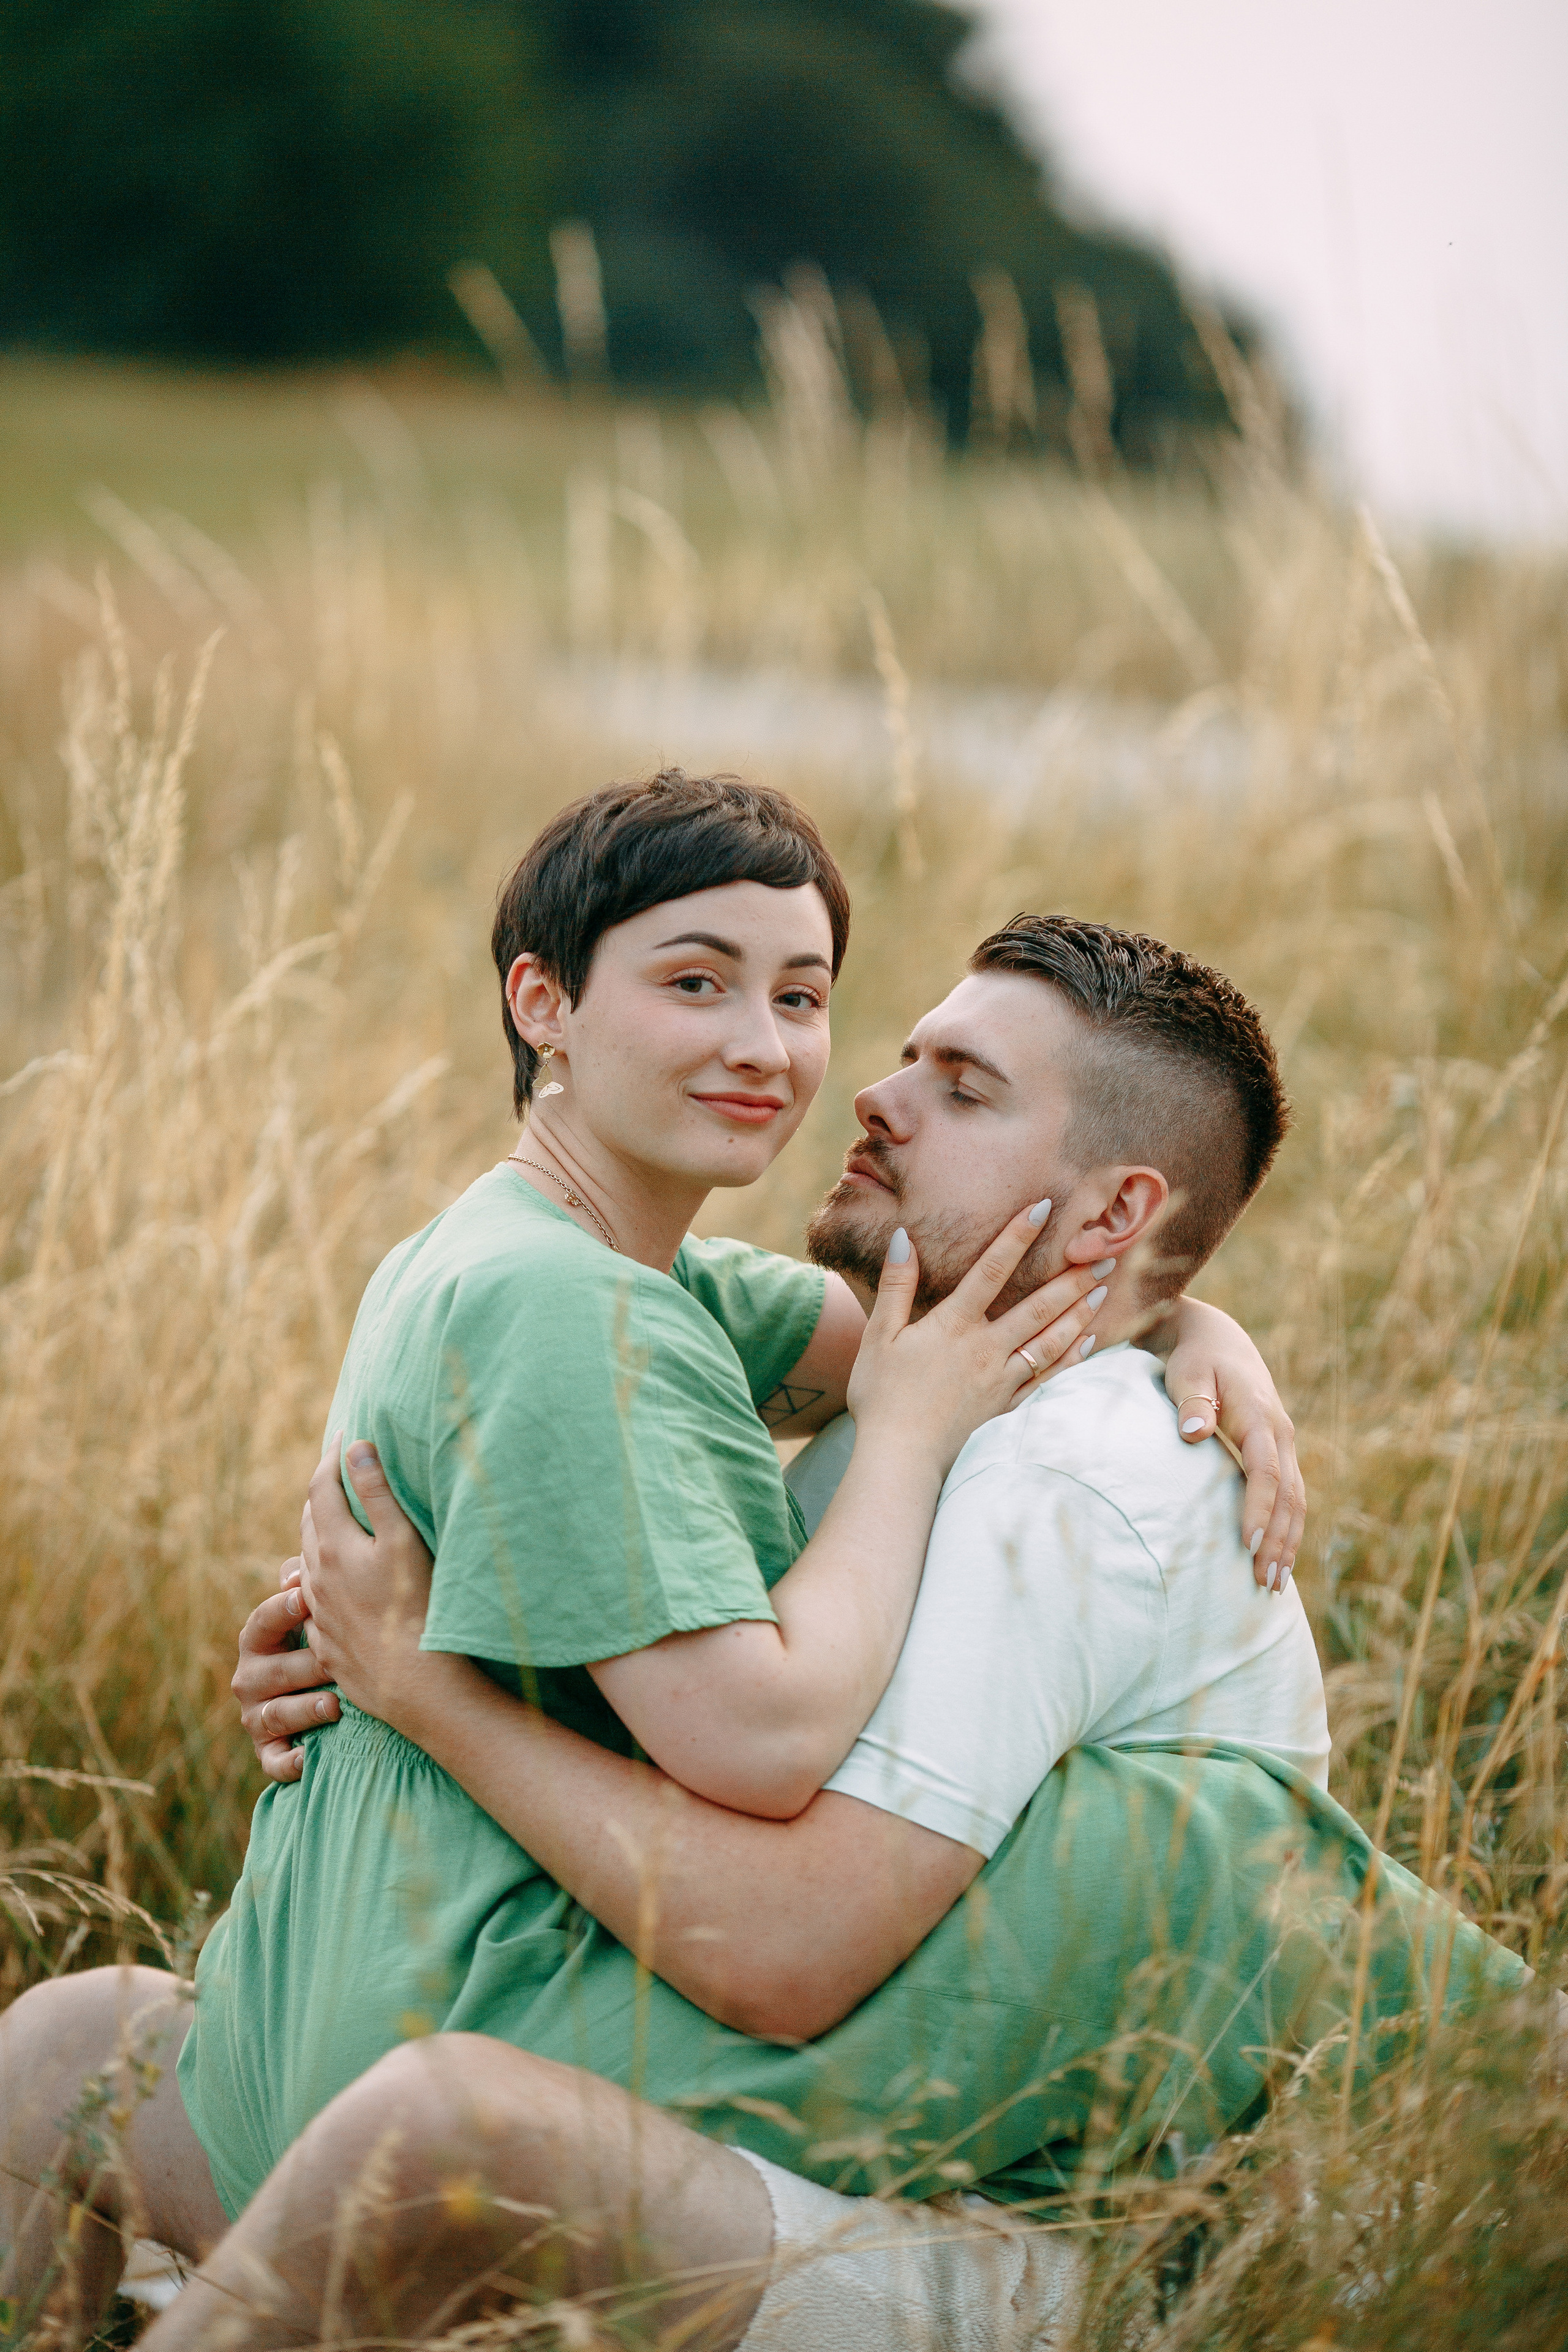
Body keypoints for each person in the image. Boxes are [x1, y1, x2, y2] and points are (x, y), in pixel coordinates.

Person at [0, 780, 1309, 2348]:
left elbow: (885, 1337)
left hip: (360, 2032)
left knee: (60, 2043)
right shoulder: (575, 1305)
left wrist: (1183, 1307)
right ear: (540, 1004)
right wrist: (896, 1438)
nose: (802, 1061)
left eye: (806, 998)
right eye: (696, 983)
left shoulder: (620, 1276)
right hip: (448, 2024)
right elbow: (759, 1735)